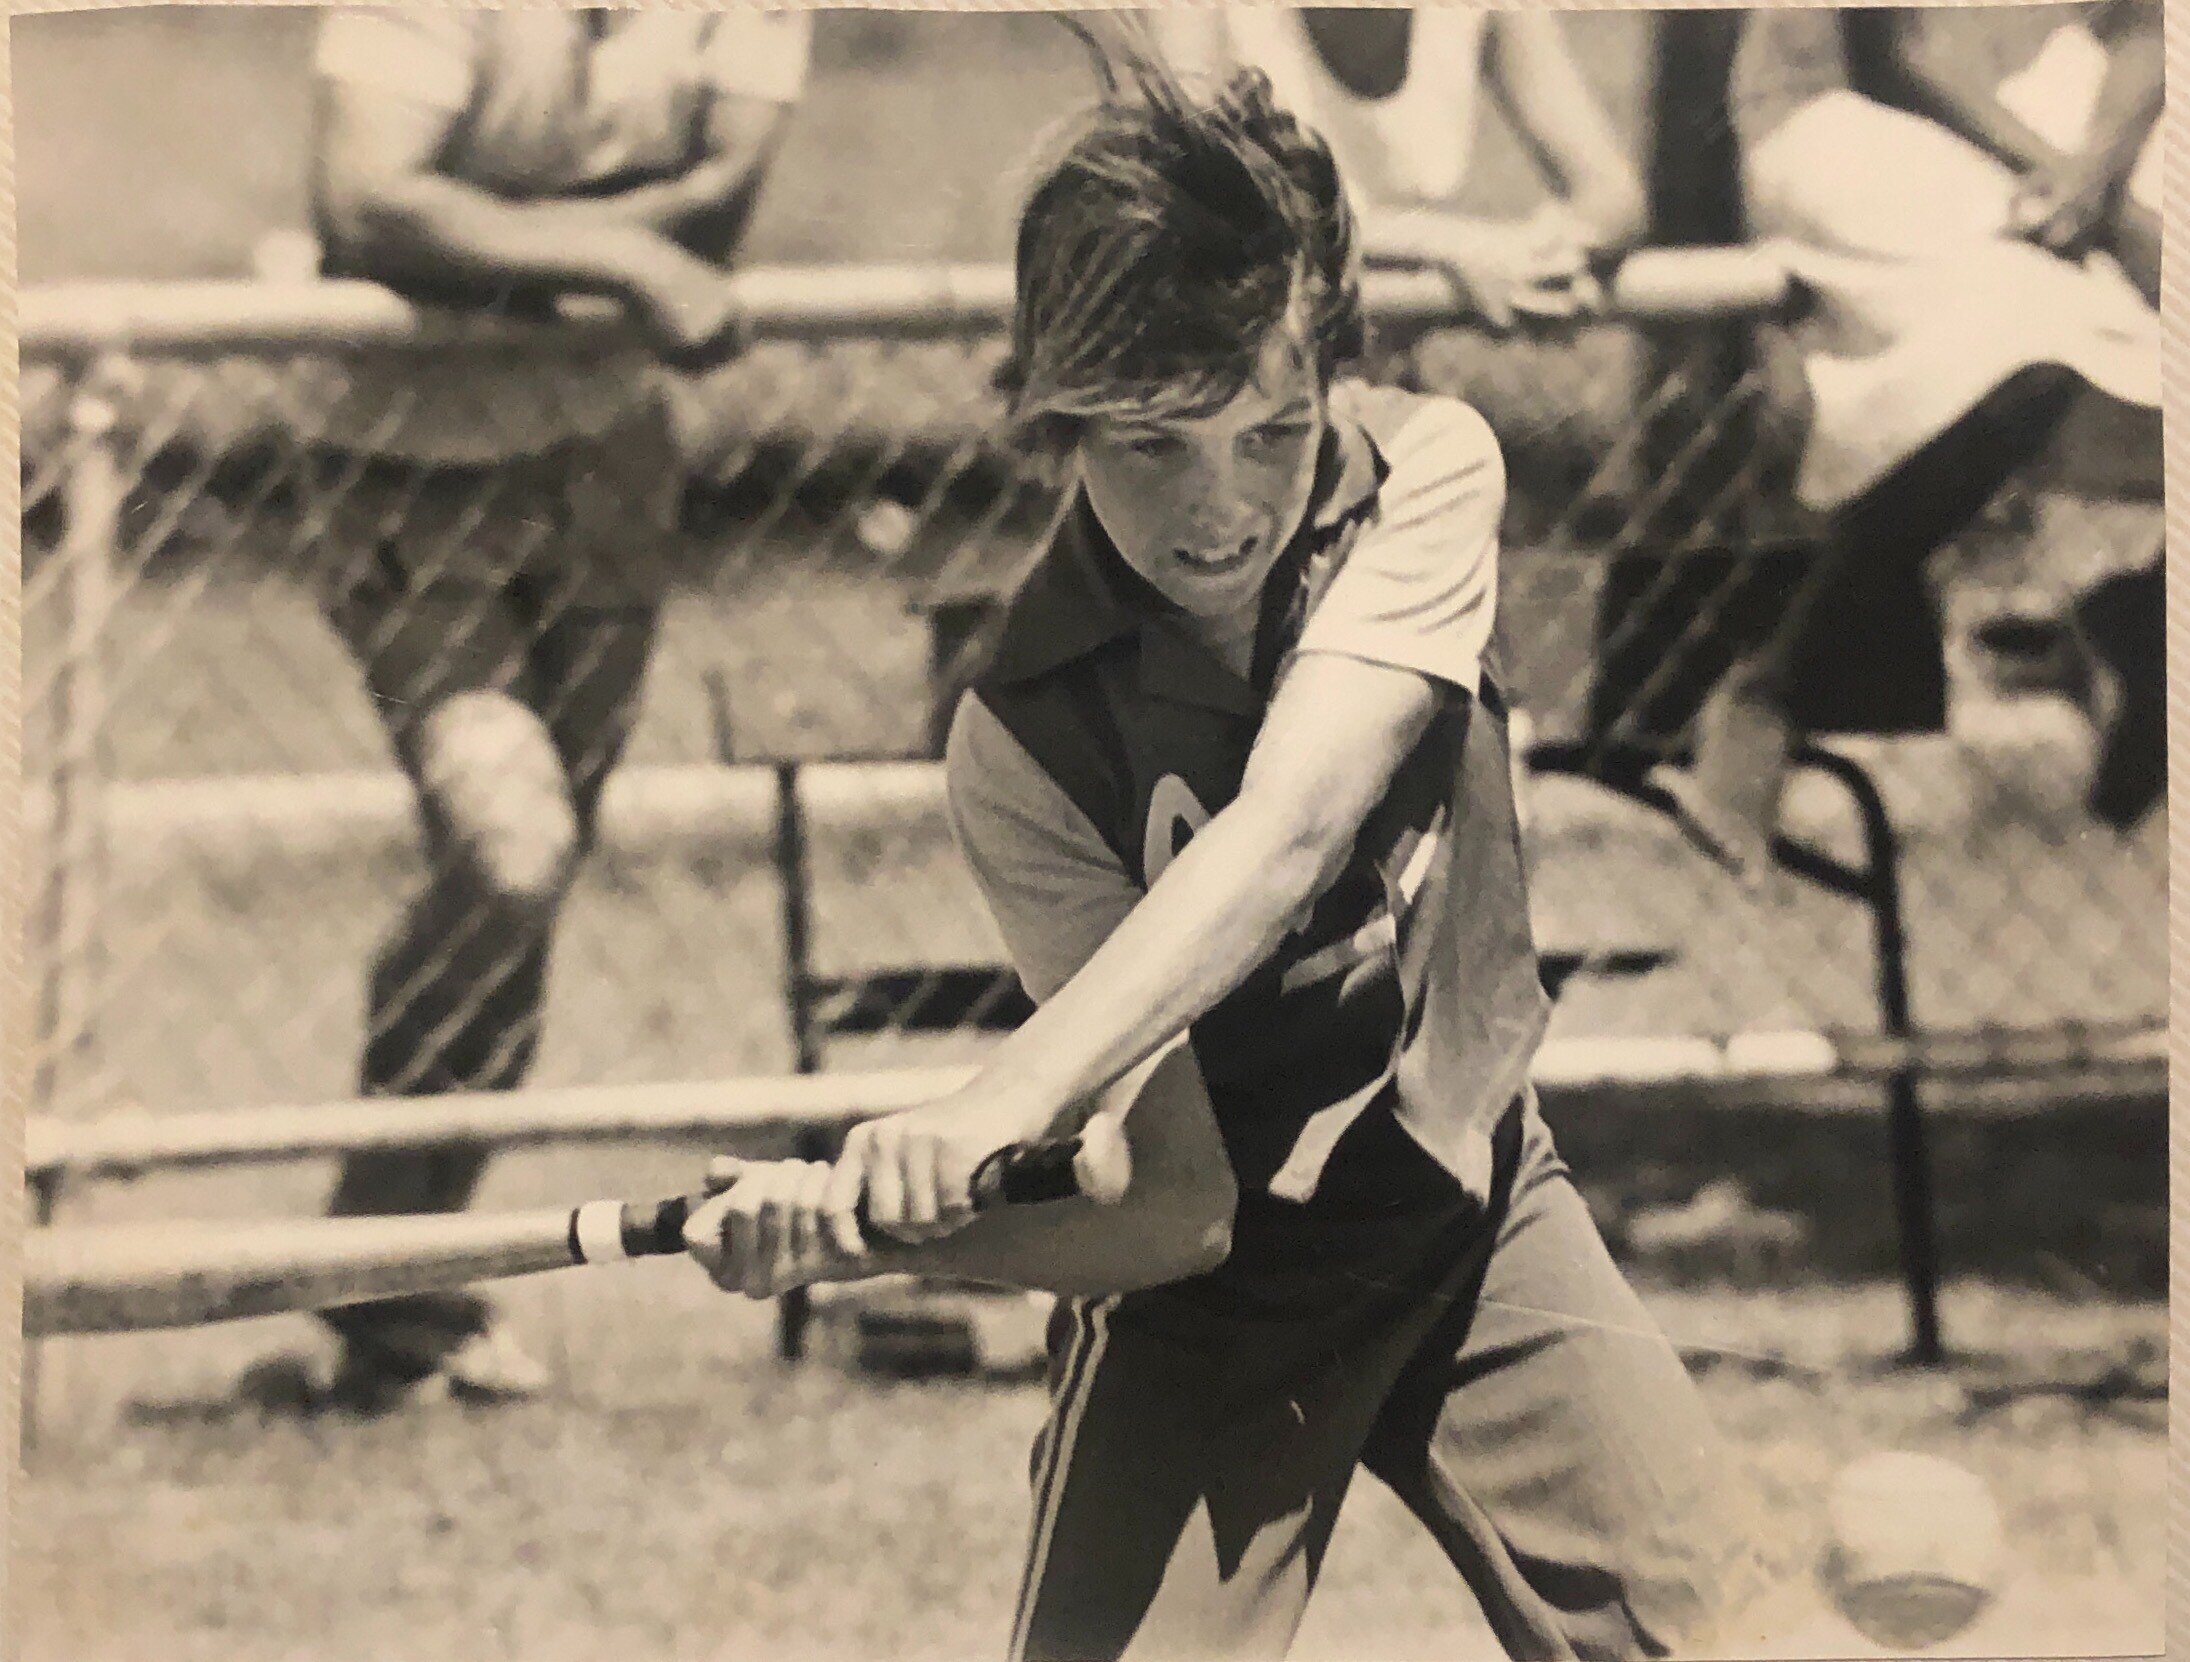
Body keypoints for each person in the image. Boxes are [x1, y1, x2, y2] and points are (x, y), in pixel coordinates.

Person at [685, 66, 1793, 1661]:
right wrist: (877, 1229)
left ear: (1336, 373)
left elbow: (1285, 832)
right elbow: (1174, 1212)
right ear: (1049, 415)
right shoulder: (1022, 746)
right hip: (1211, 1311)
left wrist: (998, 1103)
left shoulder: (1426, 479)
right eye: (1149, 445)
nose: (1220, 509)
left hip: (1468, 1198)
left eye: (1269, 431)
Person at [301, 8, 810, 1410]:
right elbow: (362, 198)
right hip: (406, 458)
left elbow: (720, 203)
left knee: (533, 879)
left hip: (604, 463)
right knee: (507, 847)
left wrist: (482, 232)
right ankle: (371, 1252)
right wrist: (618, 253)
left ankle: (395, 1285)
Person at [1654, 1, 2163, 874]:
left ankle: (2148, 612)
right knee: (2033, 335)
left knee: (2088, 326)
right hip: (1840, 117)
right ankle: (1771, 682)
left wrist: (2103, 172)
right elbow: (1900, 53)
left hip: (2036, 133)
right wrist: (2069, 179)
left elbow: (2151, 25)